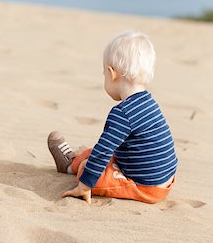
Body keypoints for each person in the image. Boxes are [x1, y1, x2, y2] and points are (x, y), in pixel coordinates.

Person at [48, 31, 178, 204]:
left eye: (104, 74)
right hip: (165, 179)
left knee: (89, 166)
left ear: (111, 73)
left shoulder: (122, 113)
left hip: (145, 186)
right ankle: (71, 161)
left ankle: (73, 167)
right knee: (95, 152)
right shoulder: (149, 102)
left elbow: (104, 151)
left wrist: (85, 186)